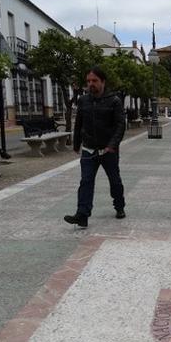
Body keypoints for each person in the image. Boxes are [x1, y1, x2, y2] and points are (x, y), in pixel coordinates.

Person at [64, 66, 126, 228]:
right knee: (86, 181)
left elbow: (120, 126)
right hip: (89, 149)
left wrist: (112, 146)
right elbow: (78, 124)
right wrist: (76, 143)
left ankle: (119, 206)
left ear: (103, 82)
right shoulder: (83, 100)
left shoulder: (114, 100)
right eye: (88, 81)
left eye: (94, 81)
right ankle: (82, 214)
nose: (91, 84)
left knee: (115, 181)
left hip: (108, 150)